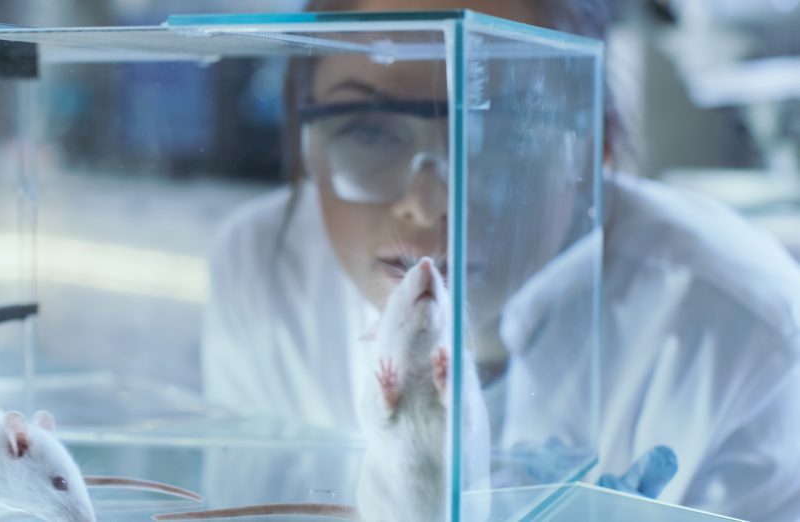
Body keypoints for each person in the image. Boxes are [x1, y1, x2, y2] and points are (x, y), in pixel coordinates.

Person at [200, 0, 800, 520]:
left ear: (597, 147)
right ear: (305, 144)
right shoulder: (263, 271)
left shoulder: (747, 328)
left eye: (496, 127)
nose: (426, 203)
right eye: (367, 129)